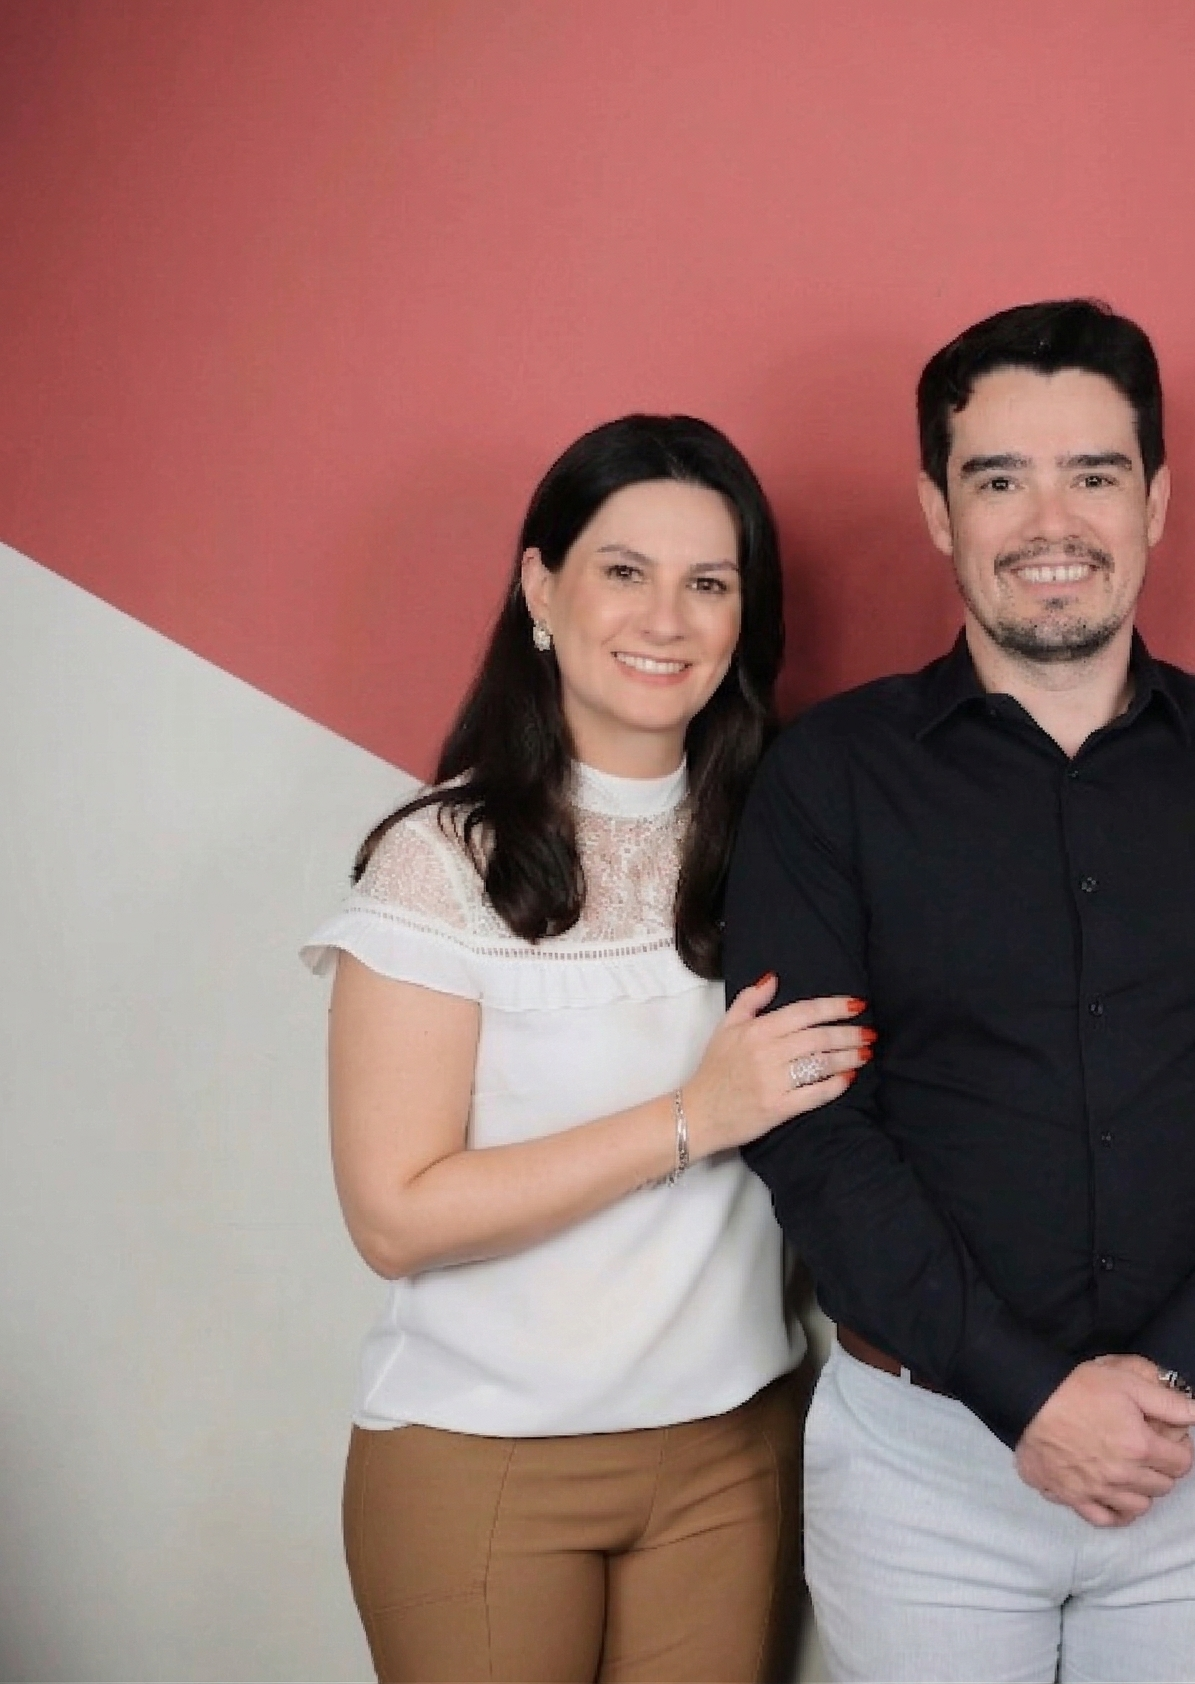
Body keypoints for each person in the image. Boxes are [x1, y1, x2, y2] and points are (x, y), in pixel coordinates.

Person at [723, 299, 1195, 1683]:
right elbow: (810, 1122)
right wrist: (1027, 1393)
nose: (1052, 521)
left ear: (1155, 500)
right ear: (937, 509)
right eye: (999, 479)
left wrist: (1182, 1372)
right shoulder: (829, 777)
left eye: (1093, 474)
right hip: (923, 1462)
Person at [305, 415, 871, 1683]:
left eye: (707, 583)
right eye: (624, 570)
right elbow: (394, 1215)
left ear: (744, 617)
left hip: (731, 1452)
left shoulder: (795, 839)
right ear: (540, 587)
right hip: (481, 1459)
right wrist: (692, 1117)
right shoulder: (439, 861)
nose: (665, 618)